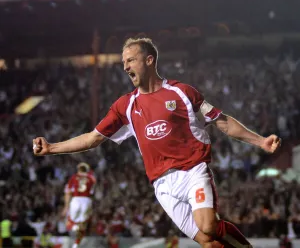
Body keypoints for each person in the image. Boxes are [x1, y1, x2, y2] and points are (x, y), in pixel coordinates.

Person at [33, 38, 282, 248]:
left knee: (209, 224)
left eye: (130, 60)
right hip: (162, 185)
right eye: (123, 62)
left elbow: (222, 121)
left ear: (149, 60)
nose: (125, 66)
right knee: (208, 241)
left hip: (192, 170)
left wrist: (260, 141)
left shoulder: (182, 92)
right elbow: (92, 138)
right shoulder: (125, 106)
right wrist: (52, 148)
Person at [62, 162, 96, 248]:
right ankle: (76, 243)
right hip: (87, 200)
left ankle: (74, 226)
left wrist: (66, 206)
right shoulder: (91, 178)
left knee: (70, 220)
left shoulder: (74, 177)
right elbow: (92, 193)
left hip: (76, 199)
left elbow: (68, 192)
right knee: (83, 224)